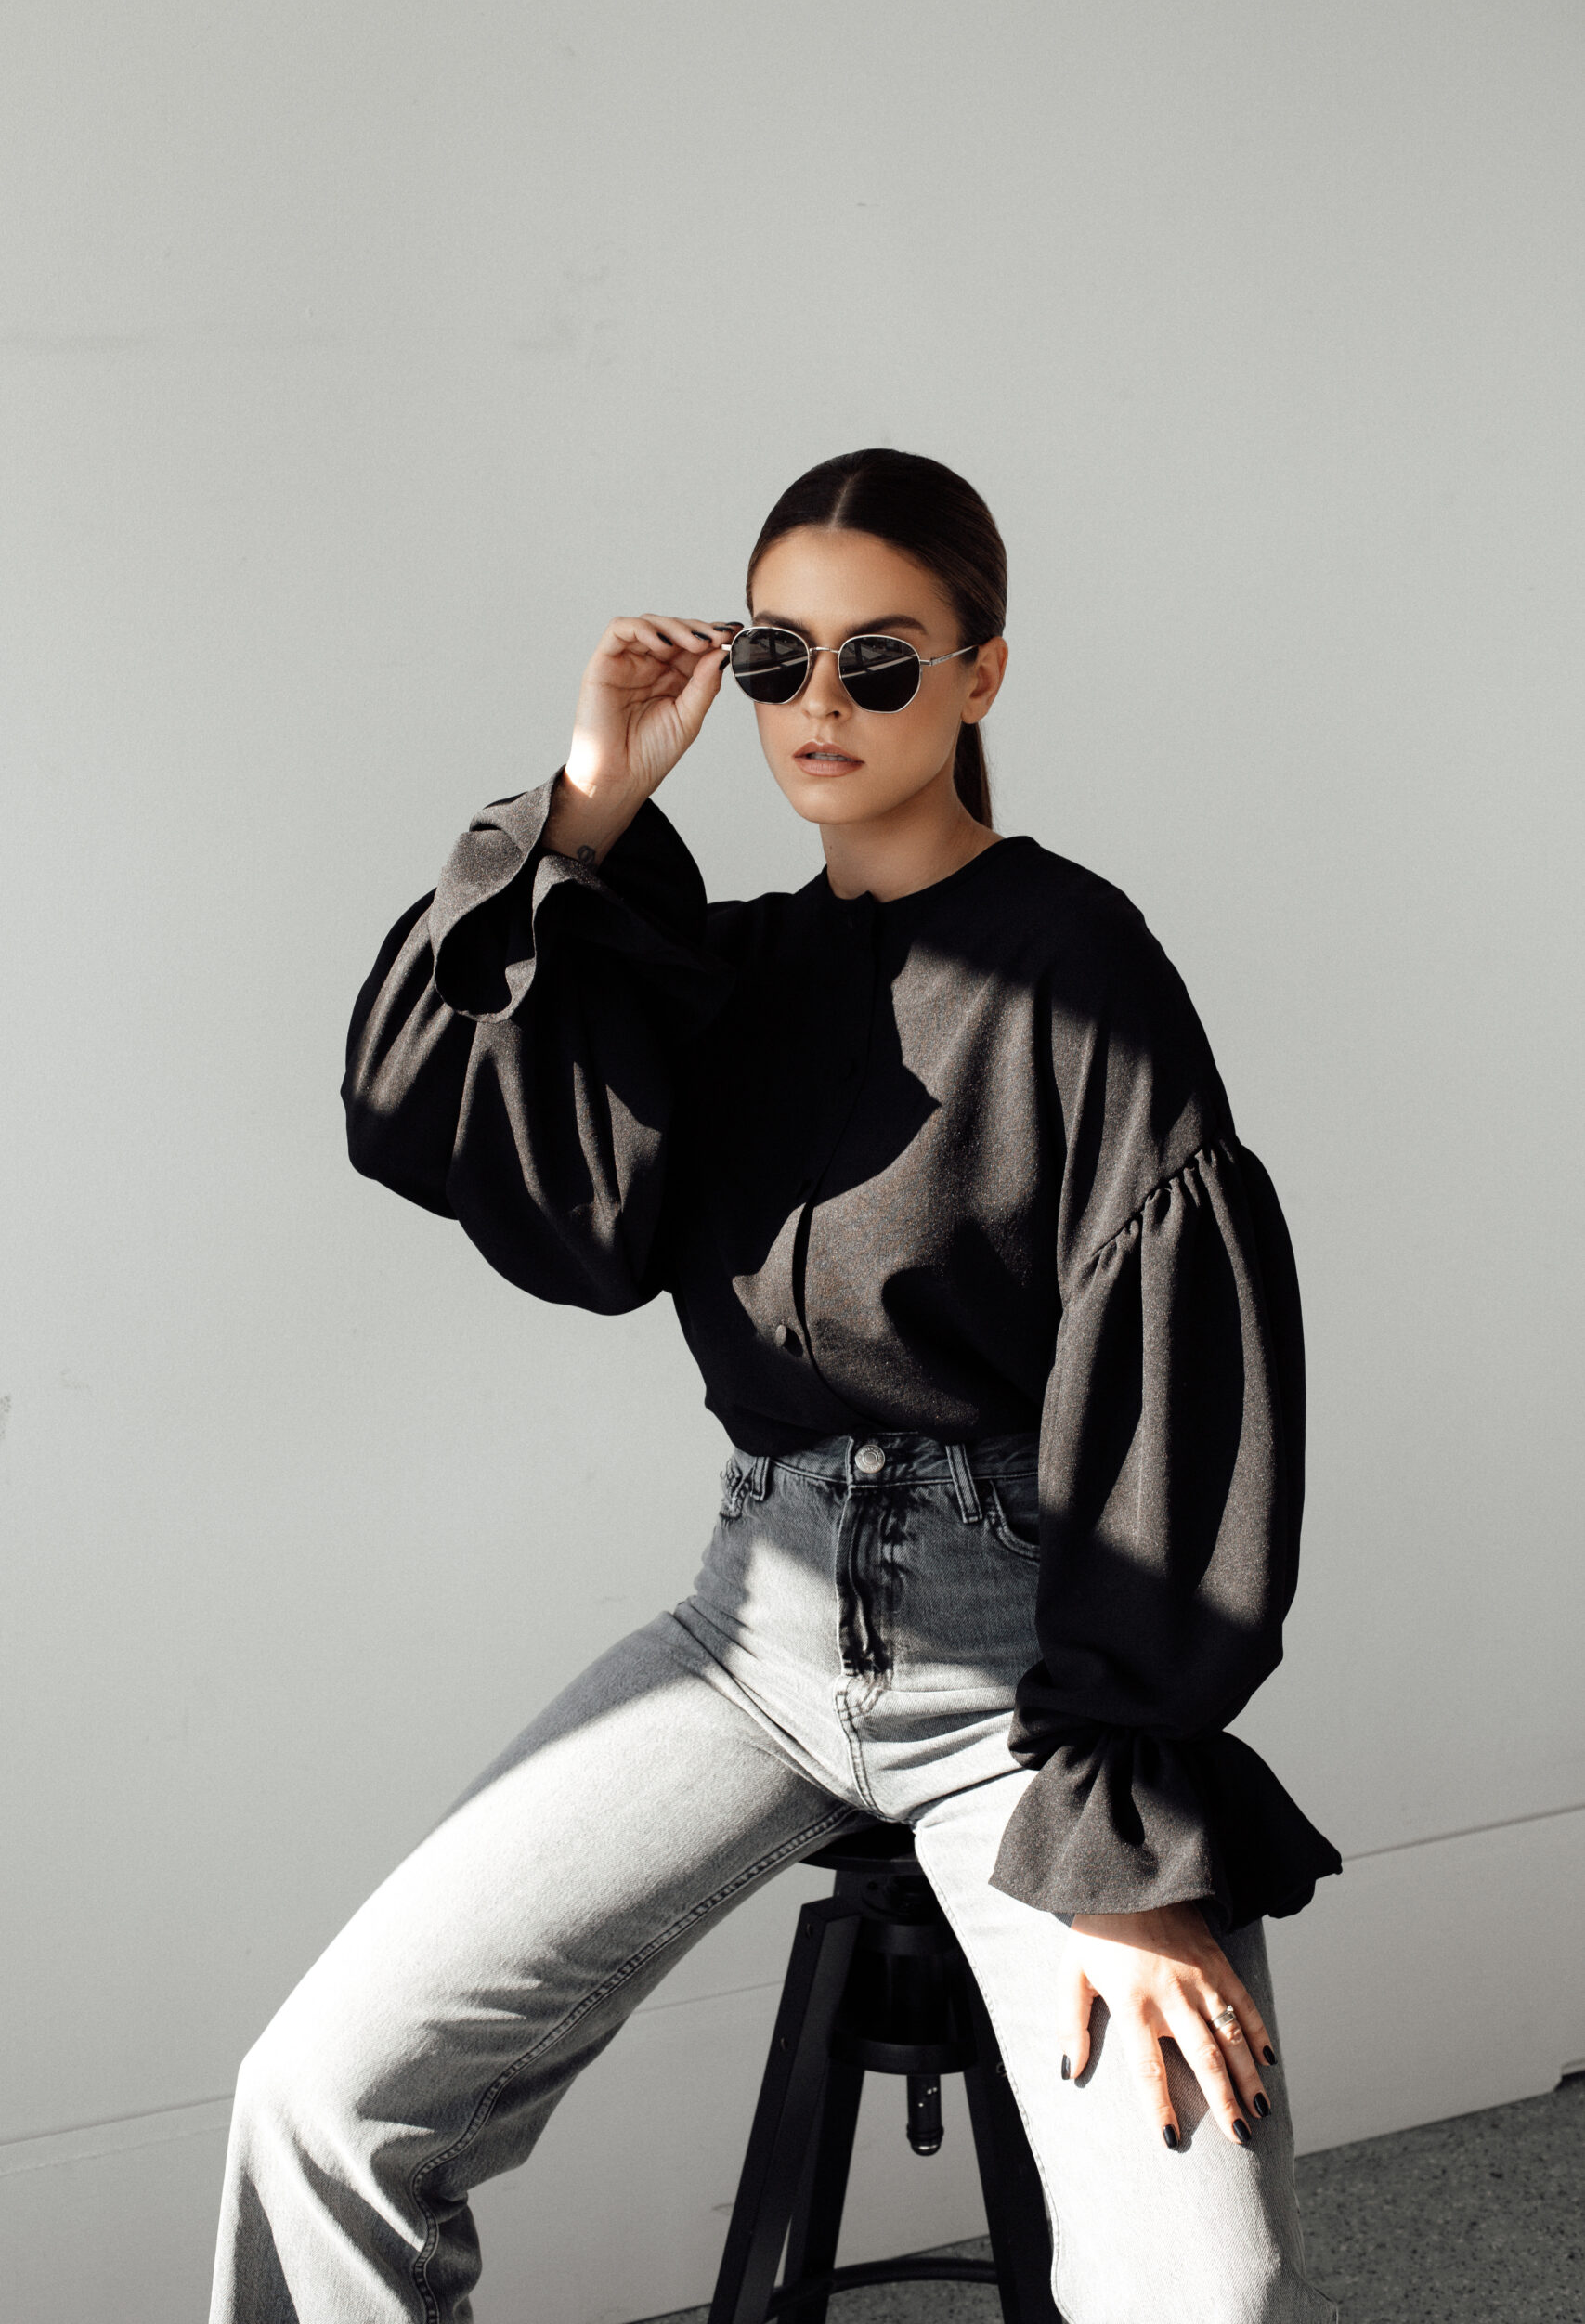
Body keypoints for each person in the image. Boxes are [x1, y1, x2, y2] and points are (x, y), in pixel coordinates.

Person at [211, 448, 1342, 2323]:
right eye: (775, 658)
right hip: (751, 1633)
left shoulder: (1076, 967)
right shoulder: (722, 972)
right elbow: (422, 1104)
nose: (820, 702)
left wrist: (1128, 1834)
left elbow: (1177, 1379)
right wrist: (587, 803)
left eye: (877, 661)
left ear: (981, 676)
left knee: (1202, 2286)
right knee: (316, 2096)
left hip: (1031, 1676)